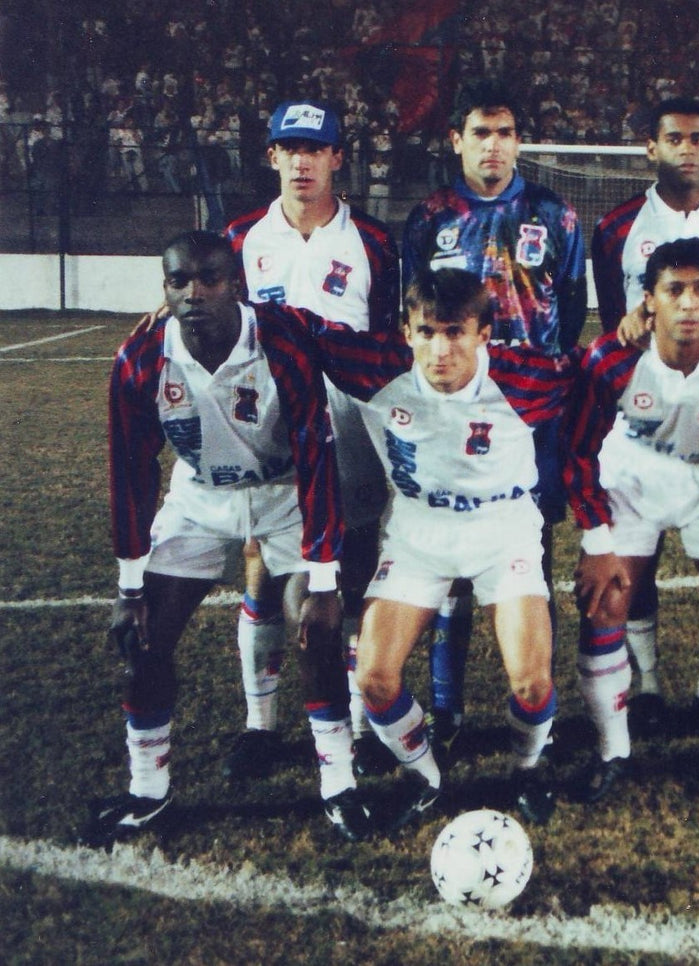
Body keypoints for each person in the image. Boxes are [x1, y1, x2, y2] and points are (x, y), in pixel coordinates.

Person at [84, 231, 363, 846]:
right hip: (200, 497)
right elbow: (130, 470)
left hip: (285, 492)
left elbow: (317, 455)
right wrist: (129, 585)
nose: (194, 294)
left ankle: (339, 785)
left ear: (236, 283)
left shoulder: (281, 345)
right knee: (143, 636)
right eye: (179, 281)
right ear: (165, 288)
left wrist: (322, 581)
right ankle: (148, 792)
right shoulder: (141, 358)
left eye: (209, 279)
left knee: (315, 630)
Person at [303, 267, 573, 828]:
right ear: (406, 331)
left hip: (504, 531)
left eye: (455, 332)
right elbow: (295, 329)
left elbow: (600, 375)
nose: (440, 349)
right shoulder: (375, 367)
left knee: (532, 680)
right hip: (418, 532)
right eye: (427, 332)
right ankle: (424, 773)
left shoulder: (528, 377)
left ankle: (528, 765)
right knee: (374, 678)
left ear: (483, 334)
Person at [402, 77, 587, 757]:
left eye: (506, 133)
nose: (494, 145)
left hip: (527, 418)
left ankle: (534, 704)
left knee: (528, 561)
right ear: (457, 140)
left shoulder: (555, 214)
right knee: (446, 563)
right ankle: (445, 708)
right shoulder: (428, 218)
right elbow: (413, 317)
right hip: (448, 415)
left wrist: (538, 382)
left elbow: (569, 312)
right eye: (481, 132)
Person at [225, 99, 401, 782]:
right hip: (269, 428)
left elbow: (389, 341)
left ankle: (360, 727)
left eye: (315, 149)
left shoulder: (375, 243)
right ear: (271, 156)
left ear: (336, 158)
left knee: (353, 572)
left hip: (351, 426)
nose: (302, 161)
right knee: (262, 567)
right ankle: (259, 727)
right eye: (288, 148)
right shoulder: (241, 236)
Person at [567, 238, 699, 803]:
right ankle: (613, 752)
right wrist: (595, 538)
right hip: (634, 482)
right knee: (606, 602)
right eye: (674, 290)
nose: (688, 303)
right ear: (649, 300)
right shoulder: (609, 358)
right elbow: (579, 453)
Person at [590, 96, 699, 739]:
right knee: (633, 562)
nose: (687, 149)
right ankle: (644, 685)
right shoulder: (616, 228)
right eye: (674, 138)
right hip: (644, 420)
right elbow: (618, 330)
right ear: (651, 147)